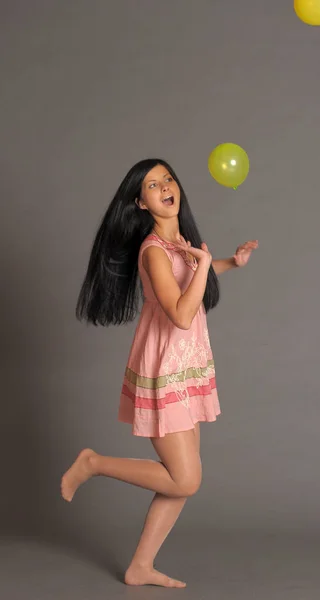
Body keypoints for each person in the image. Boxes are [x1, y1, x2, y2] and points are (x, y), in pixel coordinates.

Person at [61, 158, 258, 587]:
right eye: (153, 184)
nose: (165, 186)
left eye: (167, 178)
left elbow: (190, 273)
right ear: (140, 201)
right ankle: (93, 463)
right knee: (186, 479)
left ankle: (140, 566)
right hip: (163, 368)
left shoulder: (180, 243)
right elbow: (182, 314)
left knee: (180, 482)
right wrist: (205, 265)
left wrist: (226, 263)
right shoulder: (152, 251)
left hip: (187, 369)